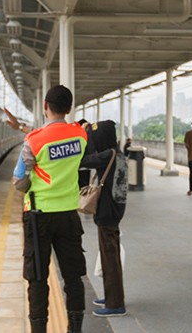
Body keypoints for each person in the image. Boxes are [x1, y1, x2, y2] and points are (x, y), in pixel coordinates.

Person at [11, 85, 87, 333]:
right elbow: (63, 138)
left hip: (38, 217)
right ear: (69, 108)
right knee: (73, 276)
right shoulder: (80, 136)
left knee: (37, 278)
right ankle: (75, 328)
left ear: (45, 106)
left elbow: (19, 181)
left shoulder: (33, 141)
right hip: (69, 216)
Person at [80, 120, 128, 318]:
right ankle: (112, 297)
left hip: (108, 213)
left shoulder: (108, 155)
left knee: (110, 259)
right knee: (111, 256)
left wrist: (84, 137)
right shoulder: (117, 153)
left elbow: (84, 160)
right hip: (114, 211)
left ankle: (115, 303)